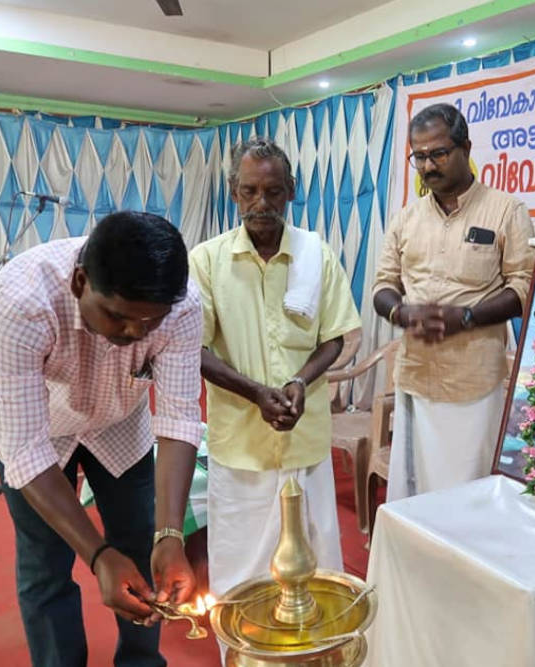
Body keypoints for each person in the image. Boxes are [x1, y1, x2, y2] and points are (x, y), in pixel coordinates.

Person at [0, 211, 203, 667]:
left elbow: (178, 418)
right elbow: (26, 449)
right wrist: (98, 556)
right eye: (118, 317)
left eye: (148, 323)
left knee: (141, 544)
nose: (135, 334)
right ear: (80, 282)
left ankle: (140, 662)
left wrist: (171, 535)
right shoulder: (21, 302)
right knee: (45, 565)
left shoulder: (181, 306)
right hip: (36, 426)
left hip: (119, 421)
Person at [188, 138, 361, 657]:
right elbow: (192, 349)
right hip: (241, 447)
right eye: (249, 191)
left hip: (304, 444)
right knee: (242, 570)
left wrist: (299, 384)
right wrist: (256, 393)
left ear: (291, 192)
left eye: (273, 191)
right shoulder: (208, 260)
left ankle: (317, 656)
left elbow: (335, 336)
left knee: (318, 564)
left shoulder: (315, 253)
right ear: (234, 195)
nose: (261, 203)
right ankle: (242, 657)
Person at [373, 103, 535, 501]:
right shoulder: (405, 219)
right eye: (420, 157)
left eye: (439, 153)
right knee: (415, 496)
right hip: (416, 378)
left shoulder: (506, 210)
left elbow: (524, 287)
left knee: (468, 497)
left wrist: (467, 317)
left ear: (465, 147)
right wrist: (401, 311)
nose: (428, 166)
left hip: (473, 382)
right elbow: (382, 285)